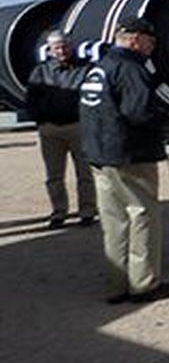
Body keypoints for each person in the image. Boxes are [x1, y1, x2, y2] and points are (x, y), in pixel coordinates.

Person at [80, 16, 169, 304]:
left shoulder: (100, 68)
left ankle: (117, 285)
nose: (152, 48)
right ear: (135, 39)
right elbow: (140, 112)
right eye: (151, 41)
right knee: (143, 215)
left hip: (100, 157)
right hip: (130, 156)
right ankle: (144, 285)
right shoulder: (130, 68)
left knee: (114, 221)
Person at [26, 29, 97, 228]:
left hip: (78, 127)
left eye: (64, 45)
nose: (61, 50)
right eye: (56, 47)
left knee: (85, 173)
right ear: (50, 50)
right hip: (50, 130)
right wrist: (40, 120)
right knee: (54, 175)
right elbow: (31, 99)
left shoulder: (86, 68)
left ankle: (88, 210)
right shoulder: (40, 71)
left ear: (71, 46)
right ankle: (59, 212)